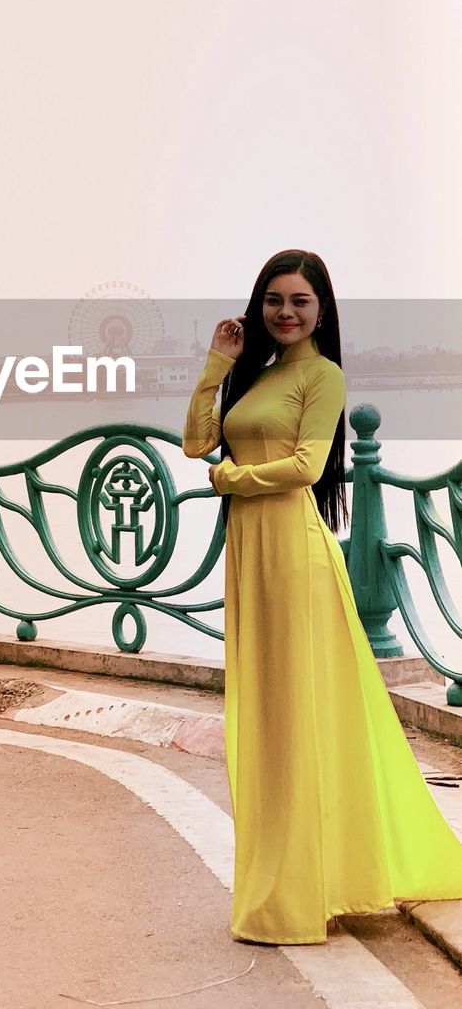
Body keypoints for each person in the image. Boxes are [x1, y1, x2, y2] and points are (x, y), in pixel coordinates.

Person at [182, 248, 462, 946]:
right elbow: (195, 442)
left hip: (294, 556)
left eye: (300, 302)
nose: (285, 312)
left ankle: (300, 888)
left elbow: (308, 467)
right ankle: (287, 876)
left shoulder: (324, 376)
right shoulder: (261, 375)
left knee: (298, 713)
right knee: (269, 714)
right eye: (275, 299)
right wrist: (217, 365)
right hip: (253, 555)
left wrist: (231, 482)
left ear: (322, 310)